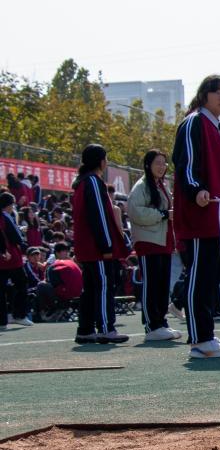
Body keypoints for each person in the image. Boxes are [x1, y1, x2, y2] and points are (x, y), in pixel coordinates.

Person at [172, 75, 220, 359]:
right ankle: (199, 340)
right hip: (200, 211)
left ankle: (207, 335)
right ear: (204, 94)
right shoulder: (194, 122)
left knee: (210, 276)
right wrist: (195, 188)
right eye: (217, 91)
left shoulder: (217, 127)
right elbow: (185, 161)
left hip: (216, 212)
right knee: (199, 276)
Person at [70, 144, 130, 344]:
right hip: (96, 248)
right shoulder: (94, 182)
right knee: (104, 286)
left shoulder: (81, 182)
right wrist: (106, 246)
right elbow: (99, 217)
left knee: (90, 289)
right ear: (101, 161)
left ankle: (85, 329)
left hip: (86, 246)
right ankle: (105, 328)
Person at [127, 149, 182, 342]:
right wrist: (163, 214)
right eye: (157, 163)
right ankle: (152, 325)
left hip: (162, 241)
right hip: (149, 241)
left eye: (164, 163)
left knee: (162, 284)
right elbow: (135, 211)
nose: (162, 167)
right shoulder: (141, 186)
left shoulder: (161, 185)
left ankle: (161, 322)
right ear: (147, 165)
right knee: (152, 284)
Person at [0, 192, 33, 328]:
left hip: (5, 257)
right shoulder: (5, 216)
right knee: (22, 284)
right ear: (9, 205)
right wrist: (21, 239)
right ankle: (19, 315)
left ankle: (2, 321)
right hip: (11, 257)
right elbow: (15, 238)